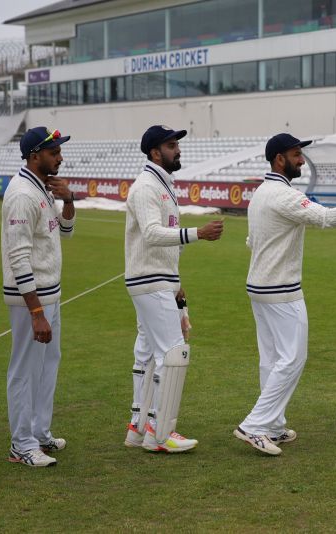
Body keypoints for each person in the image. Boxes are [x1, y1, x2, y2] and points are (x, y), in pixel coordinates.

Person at [234, 133, 336, 456]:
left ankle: (273, 425)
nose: (301, 160)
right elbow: (324, 217)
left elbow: (252, 242)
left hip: (260, 286)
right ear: (280, 159)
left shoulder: (261, 193)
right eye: (296, 155)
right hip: (281, 289)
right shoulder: (283, 195)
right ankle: (254, 425)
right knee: (292, 358)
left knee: (273, 359)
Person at [123, 125, 224, 453]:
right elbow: (152, 234)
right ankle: (160, 433)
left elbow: (165, 244)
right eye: (170, 145)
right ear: (155, 153)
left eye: (177, 144)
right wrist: (199, 233)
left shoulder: (162, 184)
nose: (177, 150)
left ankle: (139, 428)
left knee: (151, 354)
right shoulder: (146, 187)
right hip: (149, 279)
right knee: (173, 354)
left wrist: (177, 285)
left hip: (159, 279)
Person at [3, 127, 75, 467]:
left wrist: (69, 201)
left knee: (48, 365)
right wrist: (35, 310)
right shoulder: (22, 194)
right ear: (35, 155)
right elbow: (18, 256)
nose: (60, 156)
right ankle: (21, 444)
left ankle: (39, 432)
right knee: (25, 369)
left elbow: (65, 231)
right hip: (30, 299)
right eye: (53, 152)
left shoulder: (41, 188)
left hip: (50, 293)